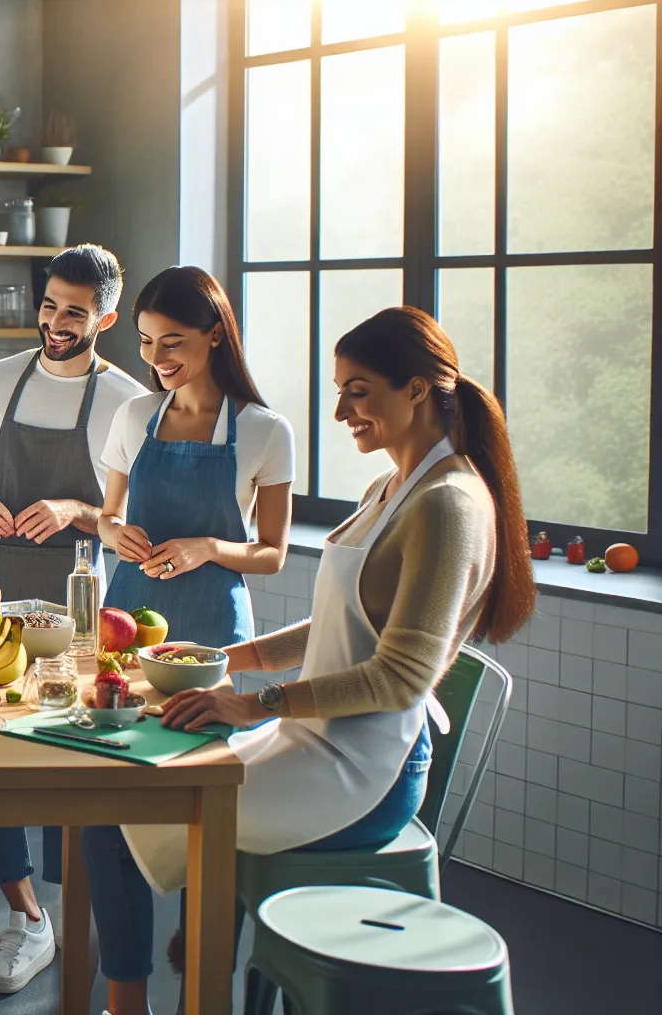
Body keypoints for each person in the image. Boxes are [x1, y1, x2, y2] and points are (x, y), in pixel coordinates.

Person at [87, 305, 534, 1015]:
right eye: (339, 391)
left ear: (417, 388)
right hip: (314, 742)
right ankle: (166, 995)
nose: (340, 411)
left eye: (358, 391)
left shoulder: (449, 505)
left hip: (363, 774)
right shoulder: (391, 487)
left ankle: (149, 1001)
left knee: (124, 799)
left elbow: (401, 678)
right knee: (141, 768)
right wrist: (219, 658)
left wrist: (254, 702)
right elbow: (336, 622)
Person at [0, 244, 148, 994]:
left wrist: (75, 510)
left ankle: (83, 913)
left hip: (76, 603)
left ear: (106, 317)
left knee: (70, 761)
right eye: (49, 305)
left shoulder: (128, 401)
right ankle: (26, 915)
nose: (56, 322)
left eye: (74, 311)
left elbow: (127, 520)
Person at [99, 266, 294, 651]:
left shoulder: (267, 430)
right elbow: (107, 519)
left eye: (172, 343)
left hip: (215, 627)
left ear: (216, 334)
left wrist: (207, 548)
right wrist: (118, 534)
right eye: (146, 340)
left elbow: (272, 554)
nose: (156, 357)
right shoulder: (133, 416)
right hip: (127, 620)